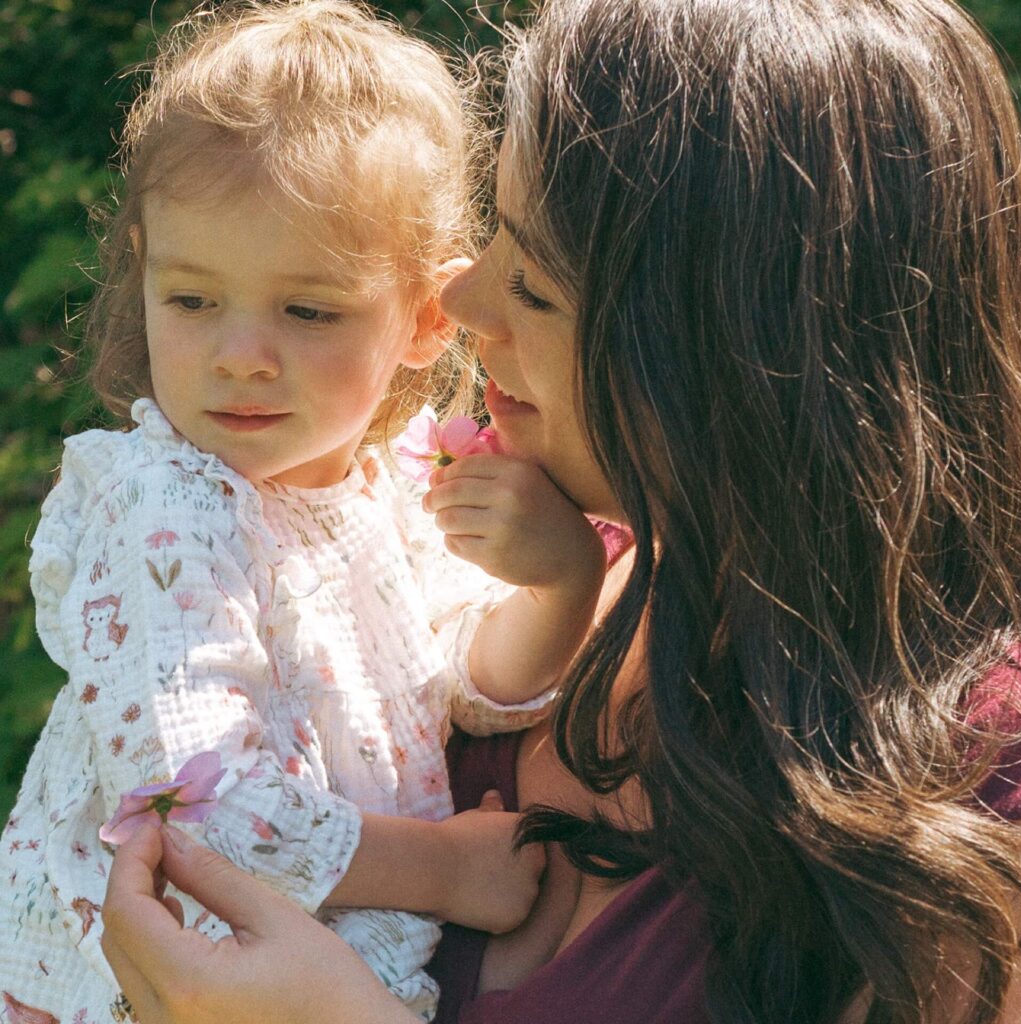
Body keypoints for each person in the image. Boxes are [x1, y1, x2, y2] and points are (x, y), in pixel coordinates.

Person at [99, 0, 1021, 1020]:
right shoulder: (519, 571)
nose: (461, 304)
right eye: (493, 230)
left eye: (533, 281)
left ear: (725, 344)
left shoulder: (975, 803)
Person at [0, 1, 612, 1021]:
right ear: (145, 265)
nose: (241, 352)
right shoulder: (159, 505)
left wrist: (558, 580)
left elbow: (471, 683)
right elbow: (191, 804)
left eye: (308, 310)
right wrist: (445, 872)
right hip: (121, 987)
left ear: (424, 317)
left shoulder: (384, 491)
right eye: (192, 299)